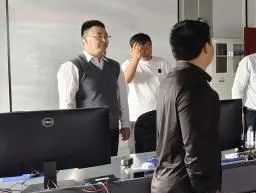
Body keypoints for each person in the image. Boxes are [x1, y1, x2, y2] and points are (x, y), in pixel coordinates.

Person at [151, 19, 230, 193]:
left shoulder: (169, 81)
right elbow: (196, 148)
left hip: (166, 187)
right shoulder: (199, 90)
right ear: (206, 47)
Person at [57, 20, 130, 156]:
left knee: (111, 166)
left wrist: (125, 123)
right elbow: (67, 104)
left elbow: (122, 97)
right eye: (99, 36)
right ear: (84, 39)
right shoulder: (72, 66)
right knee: (88, 168)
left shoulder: (115, 66)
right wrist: (69, 132)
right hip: (86, 132)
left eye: (106, 36)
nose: (104, 40)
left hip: (112, 129)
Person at [121, 33, 171, 152]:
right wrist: (136, 58)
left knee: (163, 150)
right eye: (141, 46)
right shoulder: (127, 64)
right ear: (132, 48)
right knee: (138, 152)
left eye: (148, 45)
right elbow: (126, 79)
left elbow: (171, 84)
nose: (146, 49)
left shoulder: (162, 62)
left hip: (160, 115)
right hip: (137, 118)